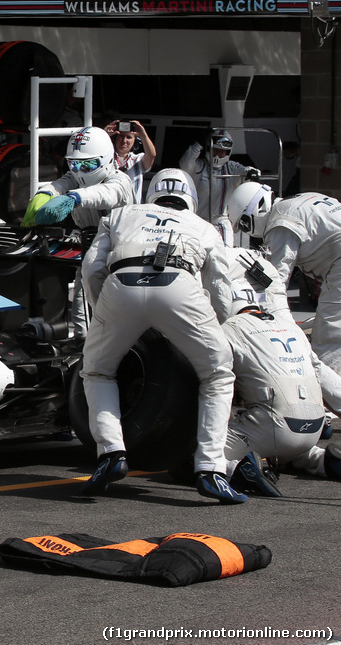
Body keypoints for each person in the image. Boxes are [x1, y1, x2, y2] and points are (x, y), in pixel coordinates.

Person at [79, 168, 244, 502]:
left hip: (121, 282)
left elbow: (92, 269)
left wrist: (105, 316)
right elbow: (220, 288)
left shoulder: (121, 214)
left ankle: (110, 453)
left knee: (97, 370)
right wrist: (216, 326)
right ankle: (210, 469)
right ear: (191, 199)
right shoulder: (205, 227)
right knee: (218, 374)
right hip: (178, 283)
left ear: (152, 194)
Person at [212, 248, 341, 487]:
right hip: (311, 430)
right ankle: (324, 461)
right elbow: (322, 374)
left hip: (271, 427)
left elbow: (212, 382)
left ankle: (238, 470)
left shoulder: (228, 329)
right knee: (296, 452)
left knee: (197, 454)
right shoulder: (293, 329)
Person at [31, 126, 135, 338]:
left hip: (120, 247)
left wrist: (74, 198)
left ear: (105, 159)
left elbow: (106, 194)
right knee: (82, 291)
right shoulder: (75, 177)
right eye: (74, 163)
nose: (79, 170)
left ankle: (111, 337)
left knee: (108, 296)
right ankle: (83, 341)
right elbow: (61, 183)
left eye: (87, 164)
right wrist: (45, 194)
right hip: (89, 242)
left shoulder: (120, 180)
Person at [227, 183, 341, 374]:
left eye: (245, 225)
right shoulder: (300, 199)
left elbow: (275, 282)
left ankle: (329, 396)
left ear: (256, 209)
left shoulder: (280, 223)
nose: (249, 232)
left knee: (329, 334)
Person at [180, 128, 259, 241]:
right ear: (208, 149)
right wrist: (197, 145)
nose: (218, 154)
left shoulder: (231, 167)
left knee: (225, 254)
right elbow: (185, 164)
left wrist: (252, 173)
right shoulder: (198, 166)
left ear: (228, 152)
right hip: (197, 219)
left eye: (223, 152)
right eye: (215, 150)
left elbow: (246, 170)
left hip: (221, 221)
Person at [105, 119, 156, 203]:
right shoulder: (106, 157)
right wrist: (105, 135)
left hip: (132, 211)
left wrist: (143, 134)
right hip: (111, 210)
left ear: (134, 141)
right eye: (121, 136)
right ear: (115, 138)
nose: (124, 141)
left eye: (129, 137)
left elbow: (152, 155)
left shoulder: (138, 160)